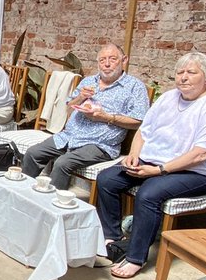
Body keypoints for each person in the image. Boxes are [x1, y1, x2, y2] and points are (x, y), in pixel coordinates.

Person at [95, 51, 206, 279]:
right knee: (107, 178)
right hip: (155, 162)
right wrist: (133, 154)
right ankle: (113, 238)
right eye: (180, 72)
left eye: (191, 72)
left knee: (149, 193)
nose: (184, 77)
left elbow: (200, 154)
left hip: (198, 172)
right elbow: (143, 130)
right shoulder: (169, 97)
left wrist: (159, 171)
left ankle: (135, 257)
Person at [22, 43, 150, 190]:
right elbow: (69, 106)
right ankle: (24, 196)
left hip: (99, 144)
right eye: (102, 60)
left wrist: (106, 117)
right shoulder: (89, 81)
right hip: (69, 136)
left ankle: (52, 206)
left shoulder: (135, 87)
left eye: (112, 59)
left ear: (124, 60)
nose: (107, 64)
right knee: (33, 153)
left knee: (62, 163)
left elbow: (139, 121)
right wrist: (80, 97)